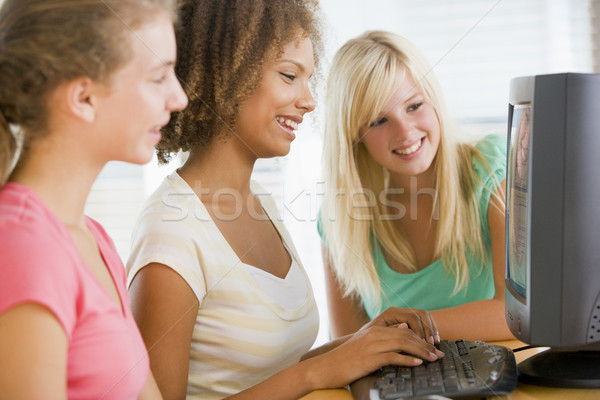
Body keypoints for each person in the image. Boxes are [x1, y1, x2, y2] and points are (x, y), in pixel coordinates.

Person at [126, 1, 443, 399]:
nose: (309, 101)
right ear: (227, 75)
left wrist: (363, 341)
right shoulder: (170, 234)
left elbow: (273, 372)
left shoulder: (259, 201)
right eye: (290, 75)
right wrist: (317, 373)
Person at [0, 0, 188, 398]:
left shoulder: (94, 239)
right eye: (159, 77)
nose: (179, 98)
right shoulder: (22, 250)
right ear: (84, 98)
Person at [319, 30, 514, 342]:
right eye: (378, 121)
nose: (405, 131)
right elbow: (349, 347)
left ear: (433, 100)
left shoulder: (491, 169)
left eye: (414, 105)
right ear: (354, 137)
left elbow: (515, 314)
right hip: (403, 388)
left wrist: (398, 329)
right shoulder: (340, 217)